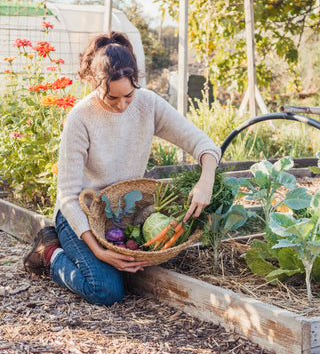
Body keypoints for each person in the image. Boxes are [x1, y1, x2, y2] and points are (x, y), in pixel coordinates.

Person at [24, 31, 221, 306]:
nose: (121, 105)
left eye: (127, 95)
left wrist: (205, 181)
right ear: (95, 83)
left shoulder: (148, 104)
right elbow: (68, 196)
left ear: (135, 82)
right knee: (106, 290)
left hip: (121, 216)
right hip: (80, 215)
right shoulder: (80, 117)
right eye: (111, 98)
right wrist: (99, 251)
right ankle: (50, 251)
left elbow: (205, 145)